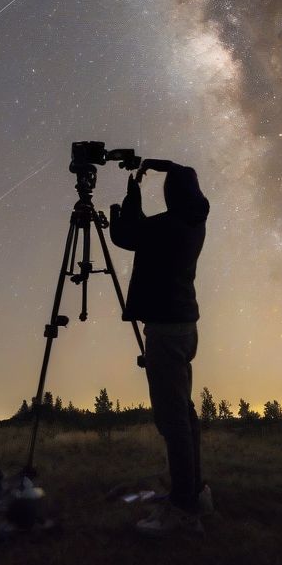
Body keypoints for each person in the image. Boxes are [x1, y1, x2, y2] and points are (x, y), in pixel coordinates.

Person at [110, 156, 211, 537]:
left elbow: (125, 233)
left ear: (172, 195)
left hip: (166, 333)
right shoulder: (195, 220)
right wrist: (160, 165)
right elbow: (182, 173)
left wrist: (131, 191)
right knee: (183, 415)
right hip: (184, 328)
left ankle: (183, 510)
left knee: (173, 421)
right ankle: (195, 492)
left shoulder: (168, 227)